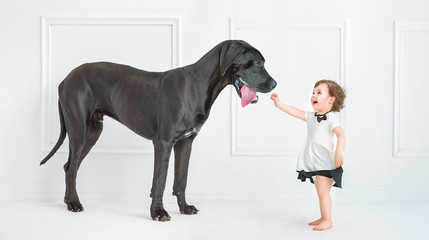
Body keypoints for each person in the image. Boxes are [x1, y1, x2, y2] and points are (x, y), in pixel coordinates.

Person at [270, 80, 346, 231]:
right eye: (313, 92)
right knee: (320, 192)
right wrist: (280, 105)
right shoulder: (312, 117)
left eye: (319, 92)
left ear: (331, 99)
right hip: (314, 162)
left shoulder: (331, 118)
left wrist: (338, 152)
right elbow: (296, 111)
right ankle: (323, 217)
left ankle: (328, 219)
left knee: (324, 192)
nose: (314, 95)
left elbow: (341, 135)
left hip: (325, 163)